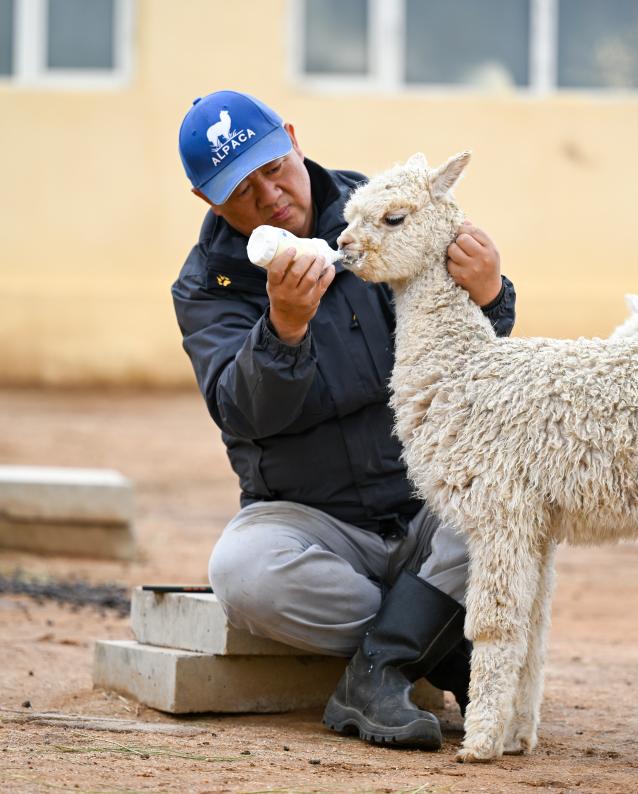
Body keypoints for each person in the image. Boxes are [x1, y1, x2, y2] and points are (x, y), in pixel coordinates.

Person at [172, 90, 516, 750]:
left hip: (421, 503)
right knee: (243, 574)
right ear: (208, 202)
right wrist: (283, 331)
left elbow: (473, 361)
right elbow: (243, 414)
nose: (269, 197)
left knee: (507, 506)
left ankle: (379, 672)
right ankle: (441, 649)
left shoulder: (386, 211)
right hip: (311, 518)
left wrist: (492, 295)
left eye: (274, 169)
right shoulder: (206, 285)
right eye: (241, 191)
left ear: (294, 140)